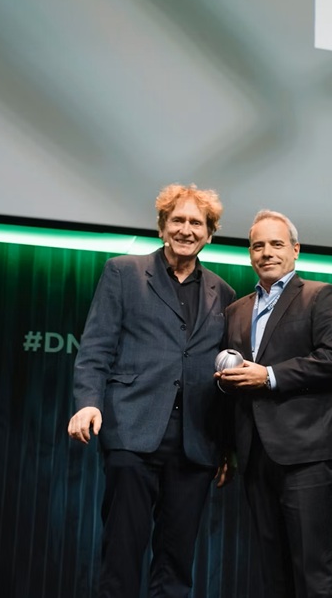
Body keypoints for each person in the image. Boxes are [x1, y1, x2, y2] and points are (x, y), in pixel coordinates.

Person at [67, 183, 237, 598]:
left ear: (209, 234)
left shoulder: (223, 293)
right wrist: (87, 403)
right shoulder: (123, 272)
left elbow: (224, 380)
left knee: (176, 562)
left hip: (195, 441)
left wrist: (225, 446)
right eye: (177, 220)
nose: (186, 229)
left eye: (196, 223)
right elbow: (96, 347)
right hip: (132, 430)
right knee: (122, 552)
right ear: (162, 227)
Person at [215, 210, 332, 598]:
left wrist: (269, 376)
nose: (267, 252)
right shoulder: (236, 310)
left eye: (276, 244)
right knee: (273, 575)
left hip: (308, 455)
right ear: (249, 254)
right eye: (258, 245)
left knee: (313, 573)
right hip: (255, 456)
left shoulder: (320, 295)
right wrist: (228, 447)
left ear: (295, 250)